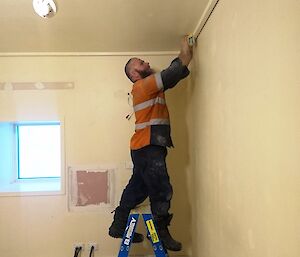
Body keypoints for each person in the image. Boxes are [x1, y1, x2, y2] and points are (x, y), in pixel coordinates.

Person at [108, 36, 193, 251]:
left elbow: (172, 77)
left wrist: (182, 63)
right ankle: (162, 233)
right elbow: (173, 73)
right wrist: (185, 52)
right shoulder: (143, 86)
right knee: (161, 188)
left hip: (144, 147)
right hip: (147, 145)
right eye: (140, 62)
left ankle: (118, 225)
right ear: (134, 74)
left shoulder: (150, 87)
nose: (145, 62)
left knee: (138, 187)